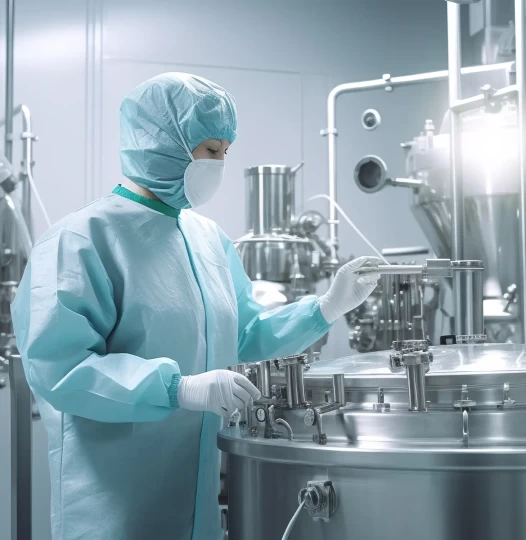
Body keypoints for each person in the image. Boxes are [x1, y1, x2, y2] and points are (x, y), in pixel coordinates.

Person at [11, 72, 381, 540]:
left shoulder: (207, 239)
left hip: (197, 506)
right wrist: (179, 388)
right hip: (115, 507)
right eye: (210, 150)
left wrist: (326, 307)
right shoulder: (80, 240)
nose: (220, 164)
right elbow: (60, 370)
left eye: (225, 151)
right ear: (162, 144)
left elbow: (247, 334)